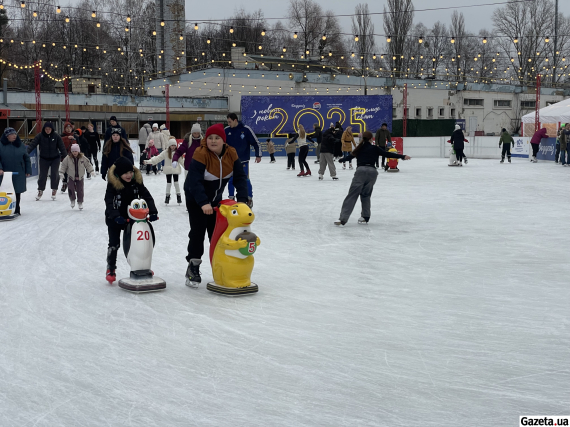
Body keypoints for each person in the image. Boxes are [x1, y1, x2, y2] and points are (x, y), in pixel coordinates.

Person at [184, 123, 248, 287]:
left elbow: (240, 178)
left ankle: (222, 266)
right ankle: (193, 266)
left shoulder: (231, 153)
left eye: (217, 138)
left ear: (223, 141)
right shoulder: (201, 153)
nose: (213, 141)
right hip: (196, 198)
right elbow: (194, 181)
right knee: (198, 232)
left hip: (216, 200)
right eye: (210, 138)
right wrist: (203, 203)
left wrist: (242, 201)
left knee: (218, 235)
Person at [334, 131, 410, 226]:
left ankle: (343, 219)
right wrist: (403, 156)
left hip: (361, 172)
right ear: (371, 139)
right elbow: (388, 154)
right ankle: (365, 217)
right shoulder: (375, 148)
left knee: (352, 195)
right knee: (366, 195)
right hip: (372, 173)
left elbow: (349, 157)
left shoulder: (359, 148)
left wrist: (341, 160)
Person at [104, 157, 158, 283]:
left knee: (139, 241)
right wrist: (116, 216)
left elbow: (147, 196)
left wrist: (153, 211)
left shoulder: (136, 182)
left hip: (133, 216)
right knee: (114, 244)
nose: (129, 175)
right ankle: (111, 268)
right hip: (115, 219)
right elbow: (109, 202)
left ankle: (141, 266)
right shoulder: (113, 185)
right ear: (118, 174)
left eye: (130, 172)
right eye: (125, 173)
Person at [225, 113, 261, 207]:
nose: (228, 124)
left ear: (235, 120)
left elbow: (256, 142)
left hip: (243, 161)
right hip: (230, 161)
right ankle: (231, 199)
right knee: (231, 180)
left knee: (245, 180)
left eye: (230, 122)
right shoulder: (226, 130)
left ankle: (249, 198)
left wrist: (258, 155)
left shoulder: (246, 129)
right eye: (227, 122)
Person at [26, 121, 66, 201]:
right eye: (46, 129)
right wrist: (26, 153)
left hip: (55, 158)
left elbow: (62, 147)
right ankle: (40, 190)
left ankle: (54, 189)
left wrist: (66, 157)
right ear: (44, 129)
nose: (47, 130)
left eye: (49, 129)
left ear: (52, 129)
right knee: (42, 175)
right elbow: (33, 144)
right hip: (44, 158)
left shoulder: (56, 136)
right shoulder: (40, 136)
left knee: (54, 174)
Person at [0, 128, 32, 216]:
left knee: (17, 190)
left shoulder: (20, 145)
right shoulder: (1, 145)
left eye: (15, 134)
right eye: (12, 134)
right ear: (7, 136)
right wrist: (0, 168)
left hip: (18, 172)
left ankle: (17, 208)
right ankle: (3, 207)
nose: (14, 136)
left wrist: (28, 170)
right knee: (4, 191)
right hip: (4, 173)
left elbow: (26, 158)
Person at [145, 137, 183, 204]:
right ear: (169, 145)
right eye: (172, 145)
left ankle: (178, 195)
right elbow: (158, 158)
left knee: (176, 183)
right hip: (168, 169)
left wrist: (189, 167)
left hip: (175, 169)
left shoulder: (178, 153)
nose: (173, 147)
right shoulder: (165, 153)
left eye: (174, 145)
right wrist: (149, 161)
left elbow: (182, 162)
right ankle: (167, 196)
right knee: (168, 183)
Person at [58, 143, 94, 210]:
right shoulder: (68, 158)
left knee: (80, 190)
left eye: (76, 151)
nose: (74, 153)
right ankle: (72, 200)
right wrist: (61, 173)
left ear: (78, 151)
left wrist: (91, 171)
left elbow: (88, 164)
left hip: (80, 177)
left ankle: (80, 202)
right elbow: (63, 166)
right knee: (71, 188)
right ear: (71, 152)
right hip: (71, 176)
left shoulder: (83, 158)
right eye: (73, 151)